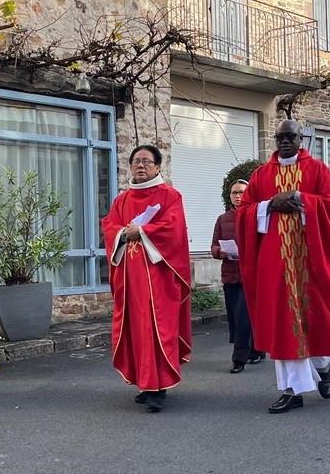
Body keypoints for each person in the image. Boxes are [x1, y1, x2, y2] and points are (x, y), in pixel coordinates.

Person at [235, 119, 330, 413]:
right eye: (281, 137)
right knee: (282, 323)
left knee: (315, 321)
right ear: (275, 140)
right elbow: (243, 212)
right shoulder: (261, 175)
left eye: (291, 137)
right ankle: (292, 390)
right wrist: (269, 206)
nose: (286, 142)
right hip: (274, 263)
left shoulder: (317, 170)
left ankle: (323, 367)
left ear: (301, 139)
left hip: (309, 262)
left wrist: (300, 197)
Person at [102, 144, 192, 411]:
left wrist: (141, 231)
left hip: (159, 280)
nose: (140, 166)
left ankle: (158, 387)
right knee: (135, 329)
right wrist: (122, 233)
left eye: (146, 161)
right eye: (135, 161)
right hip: (130, 281)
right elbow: (110, 226)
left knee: (157, 329)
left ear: (157, 167)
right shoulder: (122, 200)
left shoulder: (170, 196)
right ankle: (145, 381)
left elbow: (173, 230)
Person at [212, 179, 262, 373]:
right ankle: (256, 350)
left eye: (241, 192)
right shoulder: (222, 218)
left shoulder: (256, 216)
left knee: (243, 316)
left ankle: (238, 358)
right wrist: (219, 252)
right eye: (234, 192)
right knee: (236, 316)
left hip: (250, 275)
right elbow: (214, 244)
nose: (237, 196)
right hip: (230, 273)